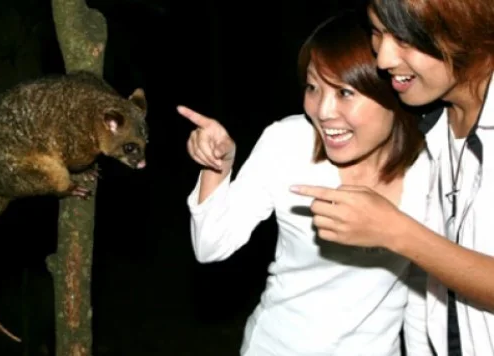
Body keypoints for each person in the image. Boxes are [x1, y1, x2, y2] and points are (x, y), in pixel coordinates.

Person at [178, 11, 433, 356]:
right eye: (313, 87)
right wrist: (217, 168)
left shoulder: (431, 168)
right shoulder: (288, 143)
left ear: (390, 92)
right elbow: (211, 245)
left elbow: (422, 291)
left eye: (344, 92)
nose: (323, 111)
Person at [291, 1, 494, 355]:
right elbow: (429, 286)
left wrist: (395, 231)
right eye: (378, 32)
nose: (383, 58)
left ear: (467, 28)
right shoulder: (430, 126)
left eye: (404, 37)